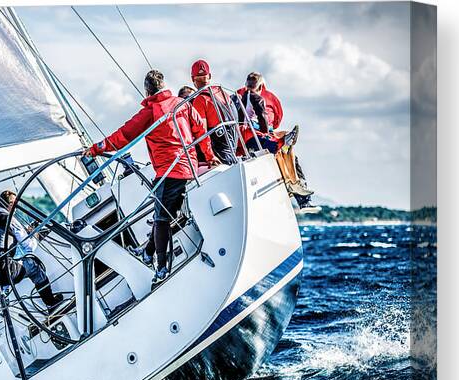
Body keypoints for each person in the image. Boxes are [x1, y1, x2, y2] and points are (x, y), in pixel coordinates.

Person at [84, 69, 219, 282]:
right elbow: (200, 128)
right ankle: (147, 253)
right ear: (164, 85)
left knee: (161, 218)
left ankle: (161, 266)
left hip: (169, 171)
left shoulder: (150, 112)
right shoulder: (182, 104)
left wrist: (95, 149)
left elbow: (122, 137)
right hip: (187, 167)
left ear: (147, 91)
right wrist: (209, 156)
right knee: (163, 212)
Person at [0, 190, 63, 343]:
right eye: (14, 204)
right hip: (3, 271)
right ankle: (52, 304)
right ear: (10, 205)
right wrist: (35, 235)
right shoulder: (10, 219)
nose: (16, 208)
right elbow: (29, 247)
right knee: (34, 266)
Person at [236, 72, 320, 213]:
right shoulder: (261, 97)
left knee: (286, 146)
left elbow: (273, 123)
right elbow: (275, 121)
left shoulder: (242, 93)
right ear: (262, 84)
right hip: (254, 136)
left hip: (256, 135)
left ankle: (296, 186)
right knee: (280, 148)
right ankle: (298, 192)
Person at [190, 59, 239, 165]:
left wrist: (209, 156)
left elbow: (201, 132)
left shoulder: (200, 100)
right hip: (233, 149)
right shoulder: (223, 92)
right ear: (210, 76)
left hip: (219, 153)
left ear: (192, 79)